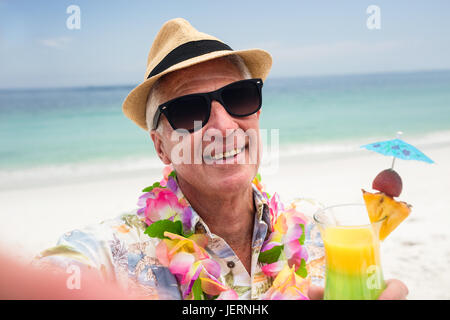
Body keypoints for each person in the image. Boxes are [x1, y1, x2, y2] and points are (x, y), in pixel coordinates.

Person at [31, 18, 408, 300]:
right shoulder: (116, 253)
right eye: (188, 110)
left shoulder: (318, 228)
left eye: (240, 97)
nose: (223, 126)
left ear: (257, 115)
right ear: (161, 146)